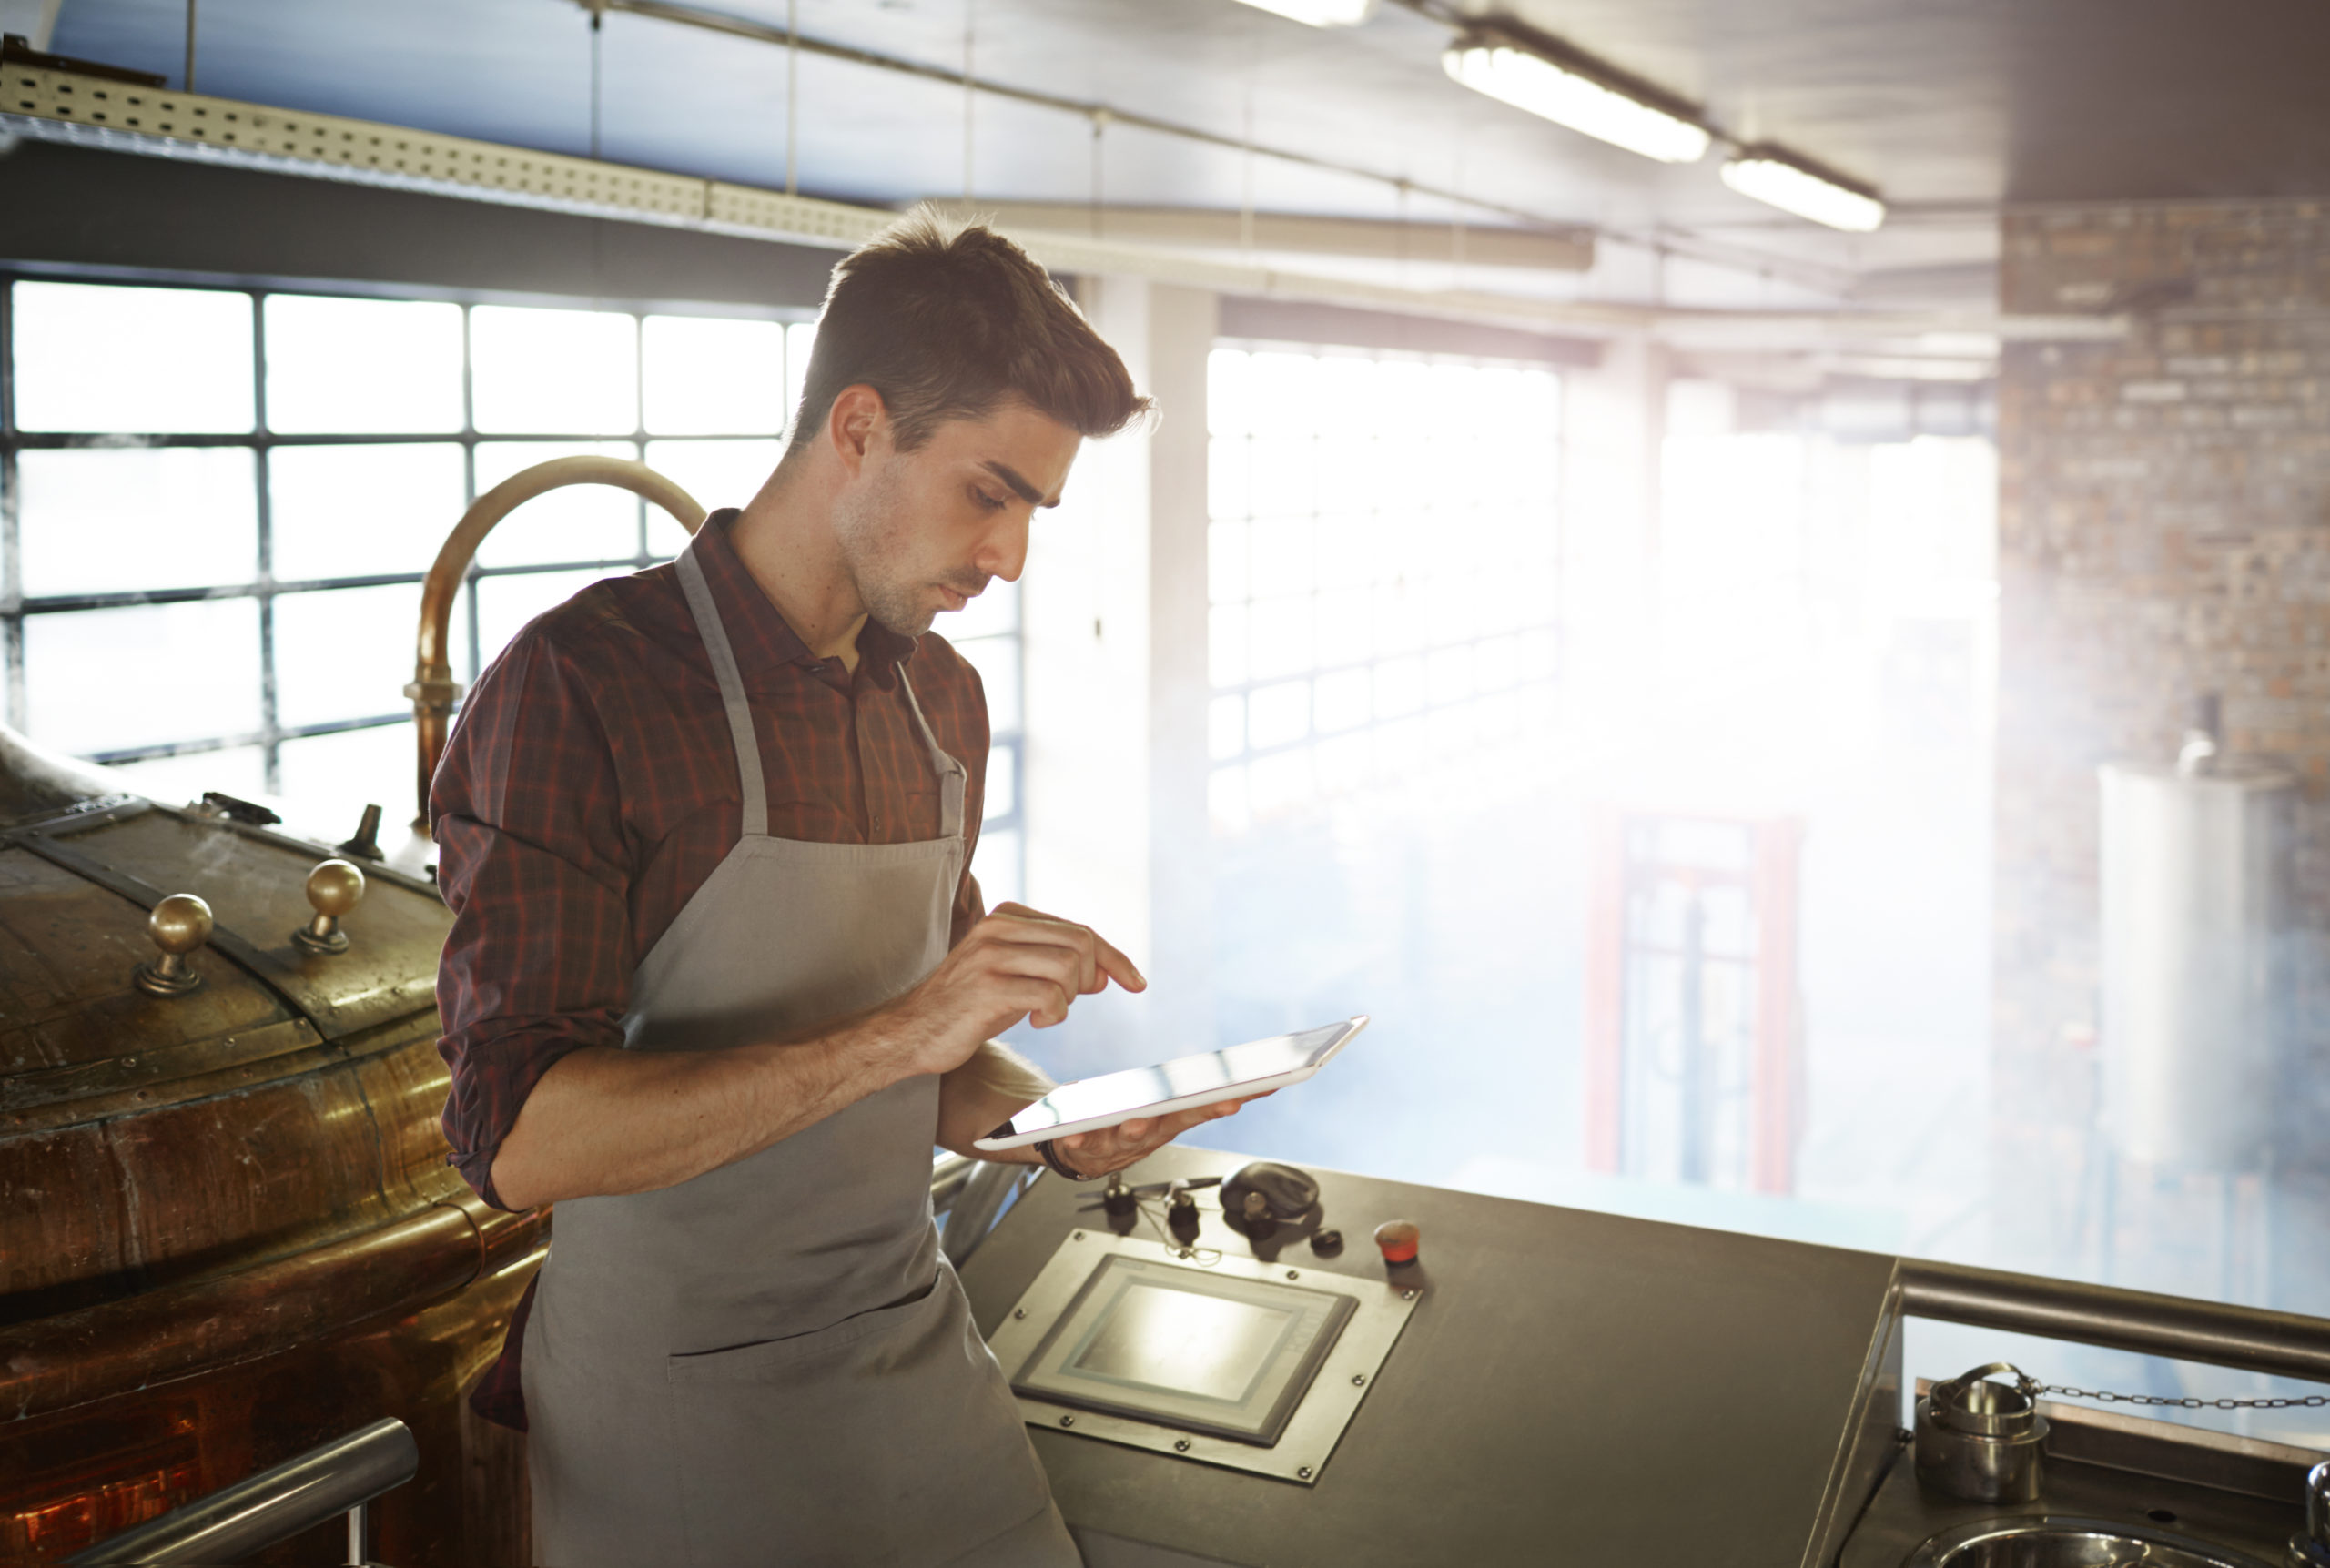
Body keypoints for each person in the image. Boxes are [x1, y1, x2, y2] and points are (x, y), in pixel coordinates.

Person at [432, 211, 1251, 1567]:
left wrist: (1053, 1126)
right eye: (990, 494)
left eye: (1034, 512)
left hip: (912, 1345)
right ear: (859, 428)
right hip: (677, 1398)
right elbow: (520, 1143)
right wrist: (908, 1034)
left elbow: (929, 1065)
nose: (1009, 557)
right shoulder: (584, 684)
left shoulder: (942, 697)